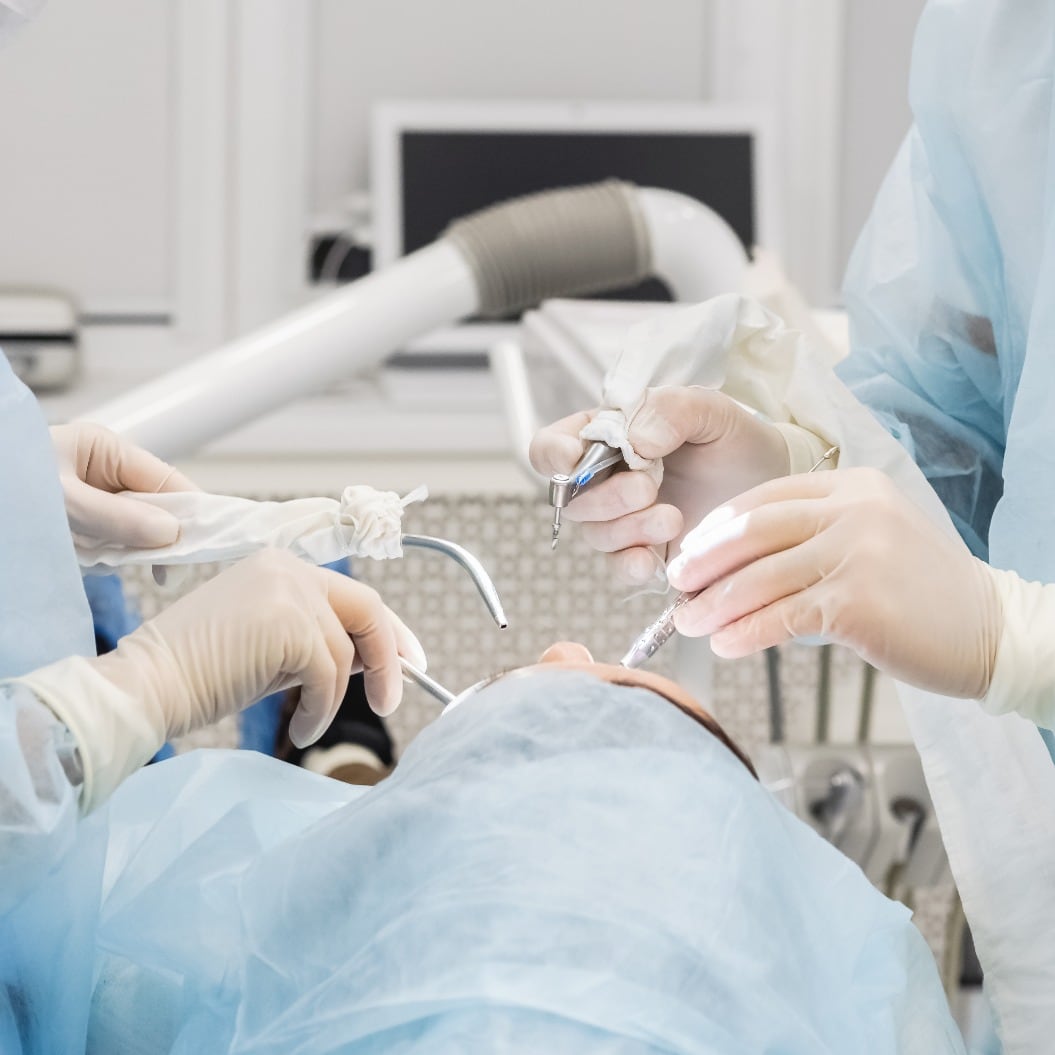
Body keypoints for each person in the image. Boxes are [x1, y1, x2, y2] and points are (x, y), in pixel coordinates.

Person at [529, 2, 1055, 1046]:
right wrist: (789, 463)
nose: (563, 658)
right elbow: (951, 408)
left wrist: (1023, 642)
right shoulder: (1005, 38)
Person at [75, 643, 962, 1054]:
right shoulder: (815, 992)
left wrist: (131, 688)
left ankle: (346, 756)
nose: (567, 644)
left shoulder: (164, 963)